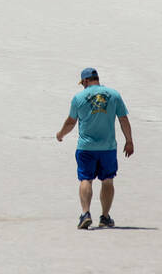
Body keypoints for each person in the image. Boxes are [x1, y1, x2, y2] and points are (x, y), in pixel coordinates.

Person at [55, 67, 134, 229]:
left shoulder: (79, 97)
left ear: (85, 81)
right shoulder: (114, 95)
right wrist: (129, 141)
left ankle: (85, 213)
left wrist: (61, 134)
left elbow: (71, 122)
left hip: (86, 147)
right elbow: (123, 119)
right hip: (108, 148)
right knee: (107, 180)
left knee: (85, 179)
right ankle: (105, 217)